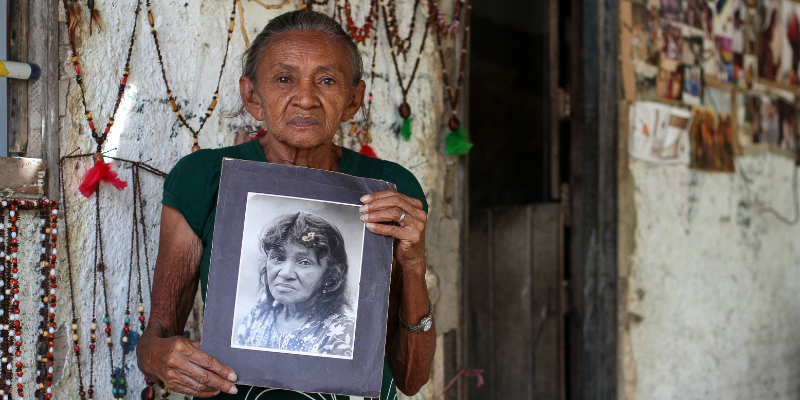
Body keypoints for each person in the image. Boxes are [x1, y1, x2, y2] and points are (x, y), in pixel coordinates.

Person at [136, 9, 436, 400]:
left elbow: (411, 380)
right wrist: (160, 358)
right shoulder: (204, 178)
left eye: (327, 80)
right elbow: (155, 341)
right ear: (252, 96)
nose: (306, 99)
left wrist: (413, 264)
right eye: (283, 79)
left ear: (353, 100)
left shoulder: (391, 190)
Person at [234, 212, 356, 358]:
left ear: (331, 275)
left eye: (304, 262)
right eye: (278, 258)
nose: (285, 273)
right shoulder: (262, 311)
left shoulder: (342, 333)